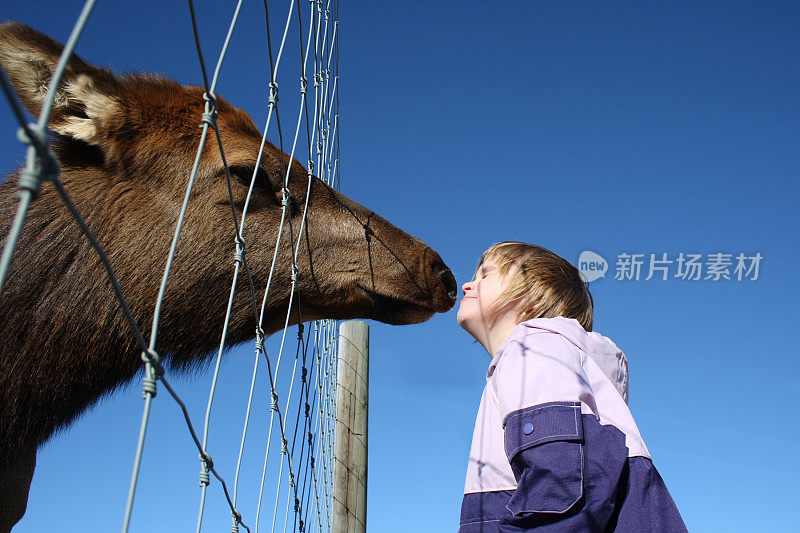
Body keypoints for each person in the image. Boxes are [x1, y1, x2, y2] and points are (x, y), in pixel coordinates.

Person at [457, 242, 687, 532]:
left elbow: (564, 488)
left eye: (485, 275)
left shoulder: (533, 349)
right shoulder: (541, 356)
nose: (467, 284)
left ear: (533, 296)